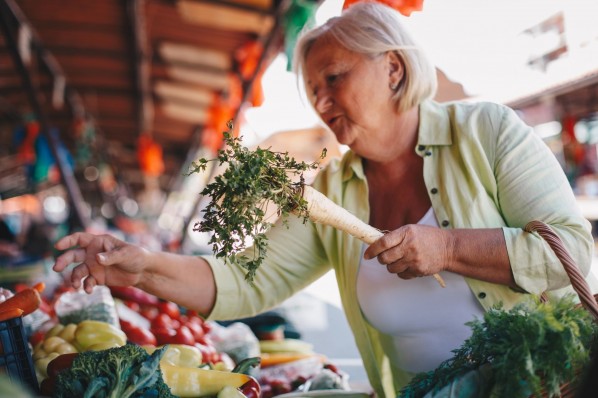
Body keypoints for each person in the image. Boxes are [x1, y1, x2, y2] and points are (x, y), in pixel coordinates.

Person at [52, 2, 597, 396]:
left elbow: (569, 253)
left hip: (545, 383)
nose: (321, 101)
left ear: (394, 69)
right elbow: (245, 282)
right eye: (313, 91)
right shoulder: (332, 190)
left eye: (334, 78)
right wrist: (140, 268)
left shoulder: (487, 130)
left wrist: (448, 247)